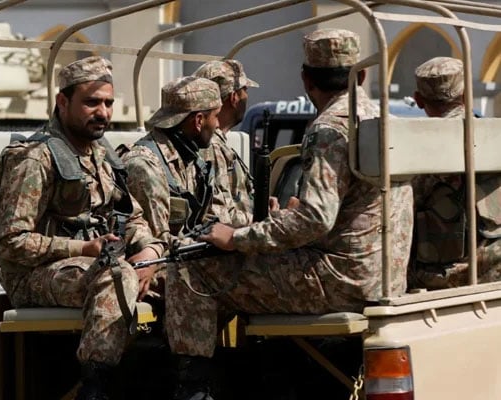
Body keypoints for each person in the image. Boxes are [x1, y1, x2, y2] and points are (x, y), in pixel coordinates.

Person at [163, 29, 414, 400]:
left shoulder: (330, 127)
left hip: (340, 279)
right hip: (383, 275)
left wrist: (236, 239)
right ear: (360, 75)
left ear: (306, 79)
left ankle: (194, 391)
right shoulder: (383, 118)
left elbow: (315, 218)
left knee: (190, 272)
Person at [0, 56, 166, 400]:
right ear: (63, 102)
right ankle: (94, 387)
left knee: (190, 277)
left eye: (108, 103)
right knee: (116, 278)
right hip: (34, 275)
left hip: (97, 262)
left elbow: (132, 216)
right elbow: (10, 242)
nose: (102, 112)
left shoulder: (101, 154)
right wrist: (81, 249)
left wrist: (149, 251)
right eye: (91, 102)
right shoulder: (35, 158)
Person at [410, 56, 501, 289]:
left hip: (454, 274)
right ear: (466, 95)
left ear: (418, 100)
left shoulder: (418, 149)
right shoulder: (493, 134)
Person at [121, 76, 222, 247]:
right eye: (216, 116)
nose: (218, 124)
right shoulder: (145, 167)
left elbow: (206, 220)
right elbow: (157, 243)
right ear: (198, 121)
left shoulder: (191, 159)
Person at [192, 59, 258, 226]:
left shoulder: (214, 143)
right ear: (234, 97)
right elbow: (219, 216)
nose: (247, 97)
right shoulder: (211, 147)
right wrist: (266, 218)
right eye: (245, 90)